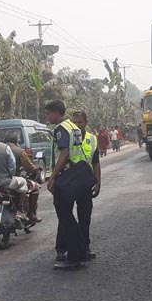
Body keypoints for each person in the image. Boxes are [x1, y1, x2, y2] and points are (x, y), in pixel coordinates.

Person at [45, 101, 92, 270]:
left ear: (57, 113)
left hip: (65, 177)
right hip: (77, 176)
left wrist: (52, 176)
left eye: (49, 113)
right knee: (70, 218)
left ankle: (73, 257)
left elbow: (64, 153)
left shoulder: (60, 129)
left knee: (65, 217)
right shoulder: (73, 126)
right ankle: (80, 251)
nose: (48, 117)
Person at [57, 111, 100, 262]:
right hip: (68, 182)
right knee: (66, 217)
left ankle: (85, 248)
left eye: (80, 122)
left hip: (84, 183)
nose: (77, 125)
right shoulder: (66, 137)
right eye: (74, 122)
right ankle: (61, 249)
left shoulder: (92, 139)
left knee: (84, 217)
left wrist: (98, 182)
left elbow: (95, 162)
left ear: (86, 123)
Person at [3, 134, 41, 223]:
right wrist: (37, 168)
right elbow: (29, 167)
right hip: (13, 180)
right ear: (16, 142)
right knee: (34, 187)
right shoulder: (20, 152)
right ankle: (30, 214)